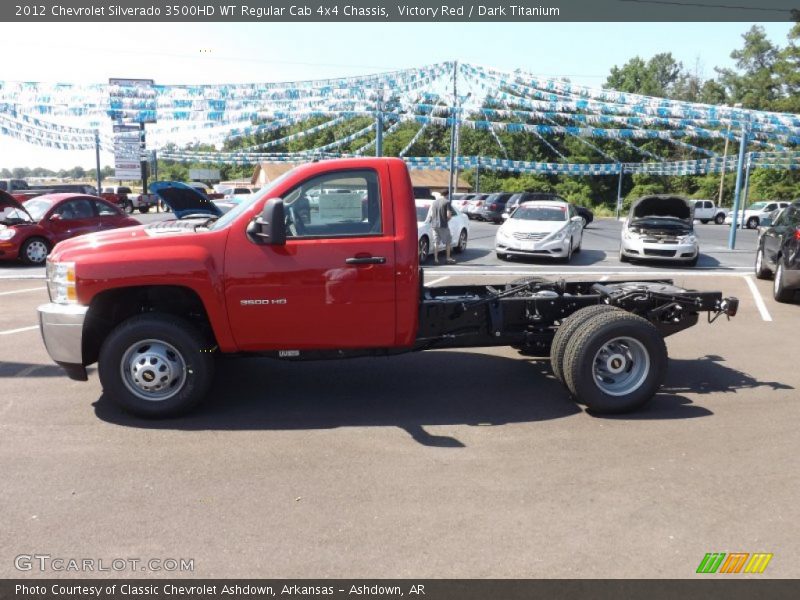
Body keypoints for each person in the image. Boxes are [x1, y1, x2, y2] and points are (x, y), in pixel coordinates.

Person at [426, 189, 457, 264]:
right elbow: (448, 215)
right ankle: (448, 258)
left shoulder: (434, 202)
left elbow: (431, 214)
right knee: (448, 241)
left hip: (434, 225)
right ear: (447, 194)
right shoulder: (447, 202)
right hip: (443, 225)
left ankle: (436, 259)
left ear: (441, 194)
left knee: (436, 242)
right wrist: (447, 220)